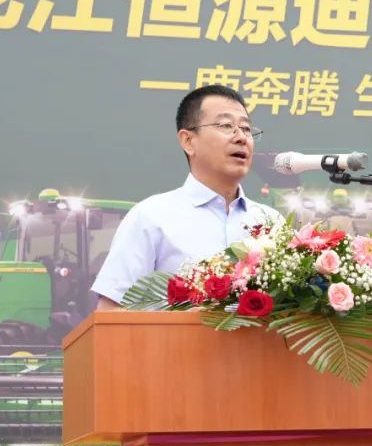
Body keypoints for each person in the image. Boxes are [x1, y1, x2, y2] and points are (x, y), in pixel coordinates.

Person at [91, 85, 285, 310]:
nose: (241, 137)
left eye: (246, 129)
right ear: (188, 141)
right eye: (226, 125)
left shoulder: (273, 222)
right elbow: (111, 312)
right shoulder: (150, 217)